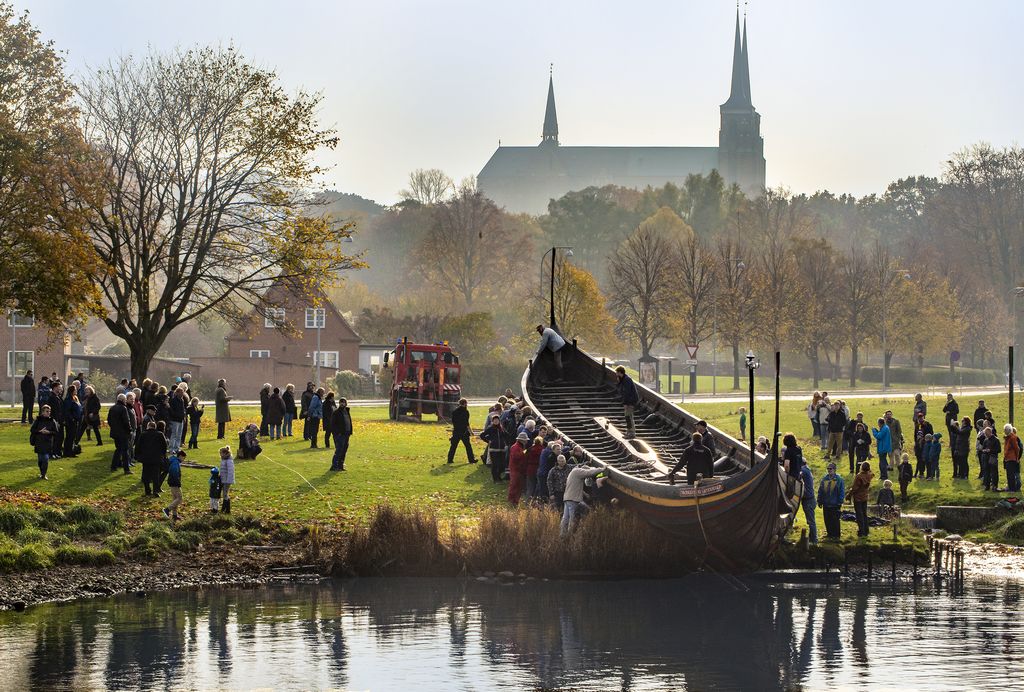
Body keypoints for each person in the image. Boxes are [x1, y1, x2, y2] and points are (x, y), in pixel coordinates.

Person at [561, 464, 603, 536]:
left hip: (567, 498)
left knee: (565, 518)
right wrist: (602, 469)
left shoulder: (573, 472)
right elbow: (589, 473)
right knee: (572, 518)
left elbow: (575, 486)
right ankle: (570, 536)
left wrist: (585, 494)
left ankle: (562, 535)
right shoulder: (578, 471)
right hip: (573, 499)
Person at [816, 462, 845, 540]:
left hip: (835, 504)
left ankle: (836, 536)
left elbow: (842, 492)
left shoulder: (839, 479)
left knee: (835, 521)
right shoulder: (824, 479)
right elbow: (820, 490)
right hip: (826, 504)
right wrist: (819, 500)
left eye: (830, 469)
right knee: (827, 520)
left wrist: (840, 502)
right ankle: (829, 534)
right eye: (828, 469)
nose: (829, 470)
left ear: (834, 470)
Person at [138, 421, 168, 494]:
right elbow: (165, 446)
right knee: (156, 475)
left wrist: (138, 456)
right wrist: (163, 455)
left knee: (146, 475)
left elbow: (138, 446)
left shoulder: (143, 434)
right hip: (156, 458)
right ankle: (155, 491)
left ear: (148, 426)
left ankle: (147, 491)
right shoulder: (160, 434)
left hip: (146, 458)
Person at [29, 404, 58, 479]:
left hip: (47, 442)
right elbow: (32, 430)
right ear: (42, 412)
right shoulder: (38, 420)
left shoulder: (52, 420)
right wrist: (39, 431)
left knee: (45, 459)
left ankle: (44, 474)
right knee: (40, 460)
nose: (49, 413)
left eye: (49, 411)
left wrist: (48, 432)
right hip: (39, 442)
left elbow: (56, 432)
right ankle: (41, 472)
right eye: (47, 411)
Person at [107, 393, 133, 474]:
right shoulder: (123, 408)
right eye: (125, 400)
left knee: (118, 449)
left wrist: (113, 427)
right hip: (123, 433)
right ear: (123, 400)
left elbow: (109, 420)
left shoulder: (112, 408)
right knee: (125, 451)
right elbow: (126, 421)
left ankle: (113, 466)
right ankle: (126, 469)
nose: (126, 401)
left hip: (115, 432)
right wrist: (129, 430)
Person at [847, 461, 874, 538]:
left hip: (858, 497)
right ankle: (866, 530)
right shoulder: (869, 475)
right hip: (865, 496)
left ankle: (861, 531)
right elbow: (872, 473)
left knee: (859, 515)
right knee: (864, 514)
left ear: (861, 468)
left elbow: (855, 488)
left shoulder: (859, 476)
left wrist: (849, 495)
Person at [479, 413, 509, 483]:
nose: (496, 421)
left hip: (501, 449)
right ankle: (495, 479)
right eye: (494, 420)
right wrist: (488, 441)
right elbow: (482, 435)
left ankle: (498, 477)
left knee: (502, 464)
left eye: (497, 420)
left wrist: (506, 443)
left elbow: (506, 435)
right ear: (492, 421)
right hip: (493, 449)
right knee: (495, 464)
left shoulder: (501, 428)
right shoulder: (491, 428)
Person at [447, 398, 477, 464]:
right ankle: (471, 459)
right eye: (466, 403)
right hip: (464, 432)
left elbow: (453, 422)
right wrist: (471, 432)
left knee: (453, 446)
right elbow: (467, 423)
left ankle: (450, 459)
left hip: (456, 431)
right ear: (465, 404)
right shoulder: (466, 412)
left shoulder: (455, 412)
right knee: (468, 446)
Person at [614, 366, 639, 439]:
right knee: (628, 416)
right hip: (629, 400)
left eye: (617, 373)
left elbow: (627, 392)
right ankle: (629, 432)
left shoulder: (627, 380)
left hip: (631, 400)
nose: (616, 375)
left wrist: (625, 403)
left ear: (620, 372)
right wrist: (619, 382)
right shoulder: (624, 379)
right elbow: (621, 390)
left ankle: (631, 433)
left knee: (628, 416)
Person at [329, 397, 353, 471]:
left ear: (346, 403)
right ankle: (334, 465)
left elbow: (349, 421)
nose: (342, 403)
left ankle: (340, 465)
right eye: (341, 402)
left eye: (343, 402)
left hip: (346, 434)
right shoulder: (336, 412)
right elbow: (332, 425)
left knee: (344, 450)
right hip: (340, 435)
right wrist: (337, 433)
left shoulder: (346, 411)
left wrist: (350, 431)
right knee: (339, 450)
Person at [162, 449, 185, 521]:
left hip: (171, 482)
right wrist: (178, 483)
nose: (183, 460)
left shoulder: (174, 461)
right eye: (183, 458)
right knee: (179, 498)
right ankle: (167, 509)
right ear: (180, 456)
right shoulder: (175, 463)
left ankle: (175, 515)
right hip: (174, 482)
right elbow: (174, 473)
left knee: (175, 499)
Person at [507, 432, 530, 506]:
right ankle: (512, 500)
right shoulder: (516, 447)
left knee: (518, 485)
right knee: (515, 485)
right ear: (522, 440)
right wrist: (525, 454)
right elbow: (516, 457)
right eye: (526, 440)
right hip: (516, 469)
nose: (527, 441)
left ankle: (515, 501)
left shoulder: (519, 447)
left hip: (518, 469)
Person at [798, 462, 817, 544]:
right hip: (810, 499)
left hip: (808, 500)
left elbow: (797, 476)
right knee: (810, 521)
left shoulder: (803, 470)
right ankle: (811, 538)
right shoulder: (807, 469)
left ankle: (814, 540)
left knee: (811, 521)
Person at [62, 388, 83, 458]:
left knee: (73, 436)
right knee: (69, 436)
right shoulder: (68, 399)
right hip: (70, 421)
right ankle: (67, 452)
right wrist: (72, 418)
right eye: (75, 390)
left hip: (75, 420)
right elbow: (67, 411)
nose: (76, 391)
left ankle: (71, 450)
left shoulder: (74, 398)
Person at [980, 425, 1001, 491]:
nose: (986, 435)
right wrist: (984, 450)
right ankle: (987, 486)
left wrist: (990, 450)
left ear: (990, 432)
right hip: (986, 458)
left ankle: (994, 486)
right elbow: (983, 448)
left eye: (987, 433)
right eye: (985, 434)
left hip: (993, 458)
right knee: (987, 472)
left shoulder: (996, 440)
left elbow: (999, 450)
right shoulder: (985, 440)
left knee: (994, 473)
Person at [1004, 424, 1022, 492]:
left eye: (1005, 430)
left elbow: (1017, 449)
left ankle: (1012, 489)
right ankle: (1010, 488)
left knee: (1011, 475)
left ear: (1009, 430)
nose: (1004, 431)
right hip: (1008, 458)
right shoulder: (1008, 437)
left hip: (1012, 458)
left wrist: (1017, 458)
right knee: (1009, 474)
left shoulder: (1012, 437)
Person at [167, 386, 186, 452]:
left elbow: (183, 409)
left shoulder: (182, 400)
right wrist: (176, 415)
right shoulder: (173, 400)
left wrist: (184, 416)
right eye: (181, 392)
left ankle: (177, 448)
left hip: (180, 419)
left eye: (182, 392)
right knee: (174, 434)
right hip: (175, 420)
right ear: (177, 393)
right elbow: (172, 411)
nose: (182, 394)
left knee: (179, 435)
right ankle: (171, 448)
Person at [219, 445, 235, 513]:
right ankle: (224, 508)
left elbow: (231, 471)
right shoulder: (224, 459)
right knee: (224, 494)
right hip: (223, 479)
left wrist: (229, 480)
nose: (220, 455)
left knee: (225, 494)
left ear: (225, 453)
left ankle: (227, 509)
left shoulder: (229, 460)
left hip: (227, 480)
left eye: (221, 453)